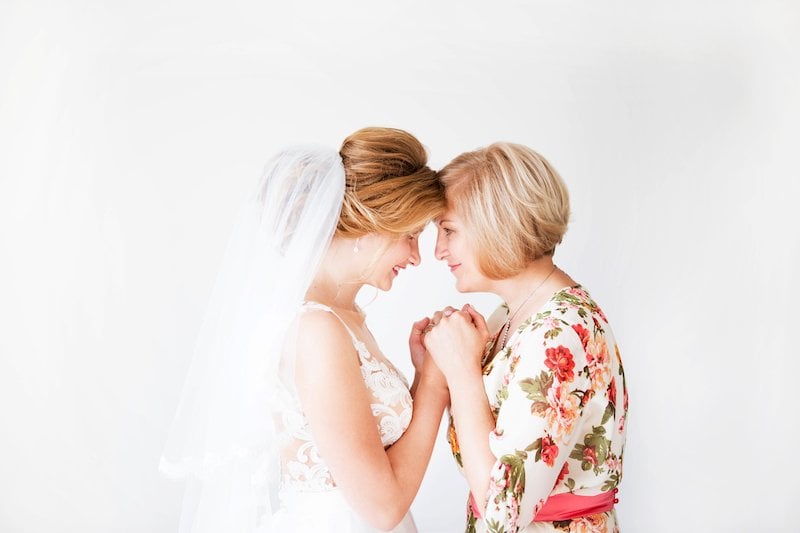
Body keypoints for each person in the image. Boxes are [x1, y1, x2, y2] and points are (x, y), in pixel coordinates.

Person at [160, 127, 449, 532]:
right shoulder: (317, 330)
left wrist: (423, 376)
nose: (417, 257)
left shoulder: (341, 318)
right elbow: (381, 508)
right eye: (410, 236)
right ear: (369, 226)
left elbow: (379, 462)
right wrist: (436, 383)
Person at [422, 143, 628, 533]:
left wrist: (463, 372)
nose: (438, 250)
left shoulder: (558, 333)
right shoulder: (513, 315)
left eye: (449, 230)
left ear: (497, 225)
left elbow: (503, 512)